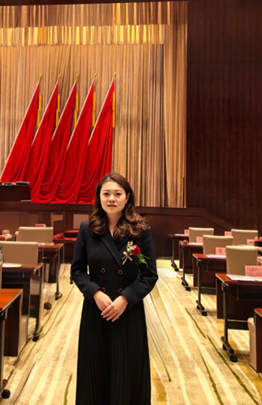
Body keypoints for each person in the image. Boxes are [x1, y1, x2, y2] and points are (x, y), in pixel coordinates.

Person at [71, 172, 158, 405]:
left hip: (128, 311)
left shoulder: (141, 230)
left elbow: (149, 275)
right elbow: (77, 270)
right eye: (106, 193)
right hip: (96, 310)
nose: (111, 199)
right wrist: (95, 293)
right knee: (94, 371)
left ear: (127, 197)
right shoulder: (87, 228)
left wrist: (125, 299)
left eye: (117, 194)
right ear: (99, 197)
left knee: (126, 372)